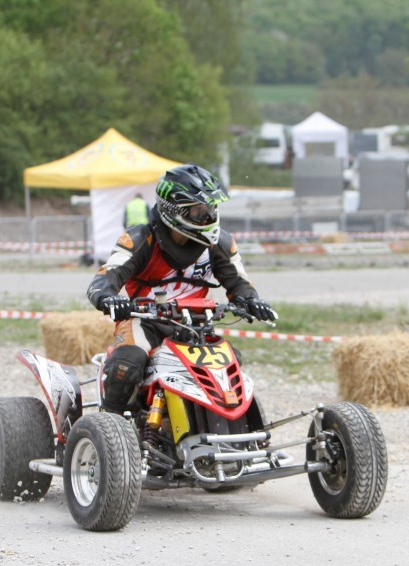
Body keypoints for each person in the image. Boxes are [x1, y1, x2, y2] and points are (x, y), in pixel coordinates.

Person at [86, 164, 276, 414]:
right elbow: (104, 278)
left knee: (229, 368)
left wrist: (252, 301)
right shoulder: (141, 239)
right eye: (198, 211)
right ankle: (109, 427)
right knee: (128, 365)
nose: (207, 217)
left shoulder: (219, 243)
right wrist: (108, 298)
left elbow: (239, 282)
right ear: (173, 210)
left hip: (196, 326)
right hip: (145, 322)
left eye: (210, 209)